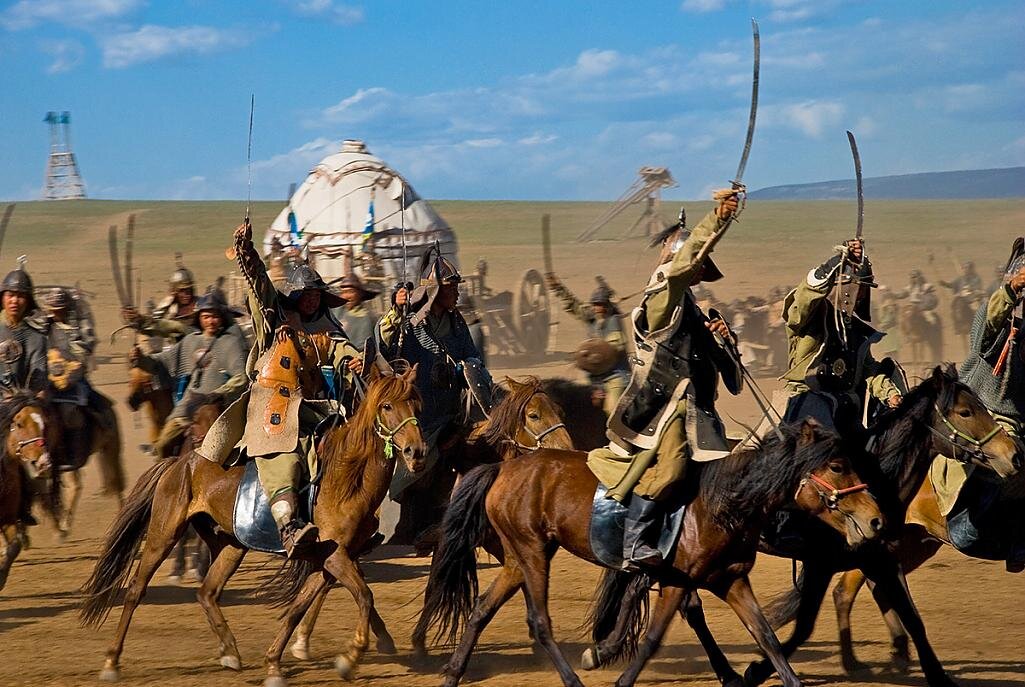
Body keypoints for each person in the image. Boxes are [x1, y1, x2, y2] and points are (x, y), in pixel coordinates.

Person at [587, 190, 743, 569]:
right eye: (697, 265)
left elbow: (735, 383)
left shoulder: (698, 314)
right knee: (672, 469)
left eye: (702, 269)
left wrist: (725, 340)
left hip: (700, 414)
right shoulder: (661, 298)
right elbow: (678, 270)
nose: (699, 274)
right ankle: (635, 540)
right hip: (664, 409)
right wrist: (718, 219)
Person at [199, 221, 362, 558]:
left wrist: (355, 359)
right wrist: (247, 251)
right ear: (297, 295)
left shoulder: (328, 324)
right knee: (284, 451)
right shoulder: (276, 315)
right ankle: (287, 524)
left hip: (315, 404)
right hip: (272, 403)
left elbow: (340, 347)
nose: (312, 299)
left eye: (317, 293)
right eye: (307, 294)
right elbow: (259, 285)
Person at [377, 246, 489, 549]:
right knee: (423, 455)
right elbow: (384, 345)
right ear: (437, 290)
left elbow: (473, 359)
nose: (457, 294)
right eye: (452, 288)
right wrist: (395, 309)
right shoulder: (409, 322)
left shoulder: (456, 323)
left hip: (451, 409)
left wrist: (464, 371)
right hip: (417, 415)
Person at [938, 239, 1025, 572]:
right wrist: (1010, 290)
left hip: (1021, 415)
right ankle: (1000, 534)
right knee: (1012, 460)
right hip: (984, 411)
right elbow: (987, 328)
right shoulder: (994, 316)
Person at [779, 238, 903, 436]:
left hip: (844, 409)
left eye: (864, 289)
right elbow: (802, 303)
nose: (862, 294)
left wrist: (890, 394)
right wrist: (834, 264)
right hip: (806, 405)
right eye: (860, 287)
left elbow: (869, 369)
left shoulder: (858, 334)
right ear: (844, 286)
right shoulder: (812, 317)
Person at [131, 293, 249, 459]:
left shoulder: (230, 343)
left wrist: (219, 392)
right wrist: (140, 360)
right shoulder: (191, 341)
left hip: (221, 404)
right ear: (199, 318)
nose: (210, 321)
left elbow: (241, 376)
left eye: (215, 316)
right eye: (206, 317)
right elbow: (160, 363)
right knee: (162, 444)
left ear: (221, 317)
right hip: (189, 404)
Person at [42, 288, 109, 470]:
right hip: (45, 379)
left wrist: (70, 365)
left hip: (73, 378)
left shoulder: (78, 325)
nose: (56, 313)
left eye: (60, 309)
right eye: (53, 309)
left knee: (73, 412)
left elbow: (84, 347)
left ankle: (73, 455)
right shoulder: (42, 325)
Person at [545, 274, 630, 413]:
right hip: (595, 379)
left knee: (611, 410)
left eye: (601, 305)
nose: (597, 308)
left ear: (607, 306)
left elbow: (613, 348)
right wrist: (558, 287)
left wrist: (590, 354)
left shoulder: (614, 321)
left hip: (616, 377)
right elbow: (574, 305)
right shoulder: (592, 318)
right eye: (595, 304)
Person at [0, 265, 47, 394]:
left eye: (20, 296)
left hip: (20, 402)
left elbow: (38, 382)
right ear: (2, 298)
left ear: (28, 302)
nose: (14, 300)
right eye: (10, 295)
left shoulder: (37, 339)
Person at [330, 273, 380, 349]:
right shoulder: (336, 312)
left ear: (360, 294)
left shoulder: (367, 318)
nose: (347, 296)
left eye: (351, 292)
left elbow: (364, 347)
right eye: (344, 292)